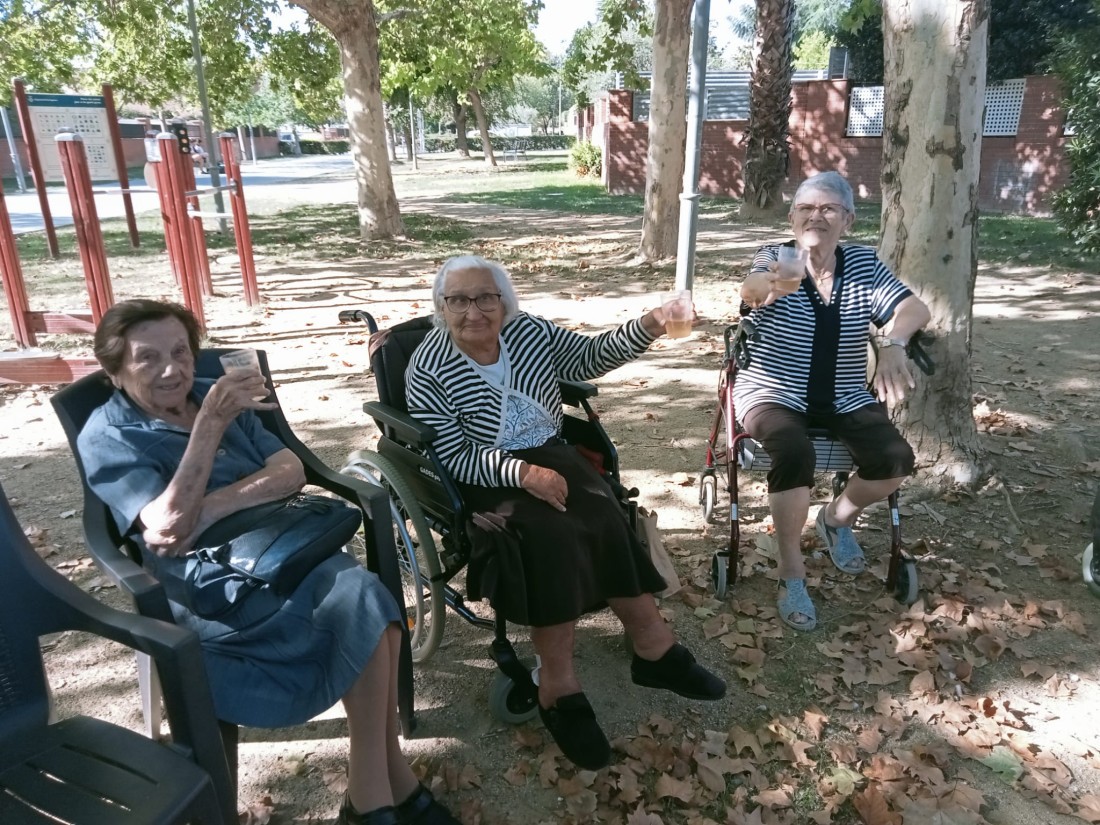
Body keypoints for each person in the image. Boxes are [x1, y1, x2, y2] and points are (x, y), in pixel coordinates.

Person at [77, 299, 458, 825]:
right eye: (148, 358)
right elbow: (166, 527)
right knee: (367, 602)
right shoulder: (110, 435)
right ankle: (382, 791)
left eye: (180, 352)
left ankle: (375, 790)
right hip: (212, 590)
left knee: (366, 597)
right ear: (115, 370)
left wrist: (212, 506)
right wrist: (210, 427)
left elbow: (290, 470)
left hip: (279, 551)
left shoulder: (214, 395)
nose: (171, 370)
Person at [404, 255, 726, 771]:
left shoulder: (528, 332)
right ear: (441, 306)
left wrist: (652, 322)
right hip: (484, 475)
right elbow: (454, 455)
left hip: (551, 453)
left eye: (486, 297)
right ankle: (557, 685)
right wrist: (521, 473)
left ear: (504, 301)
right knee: (548, 535)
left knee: (603, 510)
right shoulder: (428, 367)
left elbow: (588, 357)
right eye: (458, 300)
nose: (474, 311)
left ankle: (653, 646)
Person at [735, 171, 932, 633]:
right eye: (806, 208)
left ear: (848, 219)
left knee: (895, 459)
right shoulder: (779, 256)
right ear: (792, 217)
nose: (815, 217)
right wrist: (766, 286)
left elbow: (915, 309)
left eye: (828, 209)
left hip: (844, 393)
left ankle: (835, 518)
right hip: (772, 390)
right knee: (793, 451)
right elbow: (751, 289)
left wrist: (893, 342)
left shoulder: (861, 263)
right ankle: (791, 572)